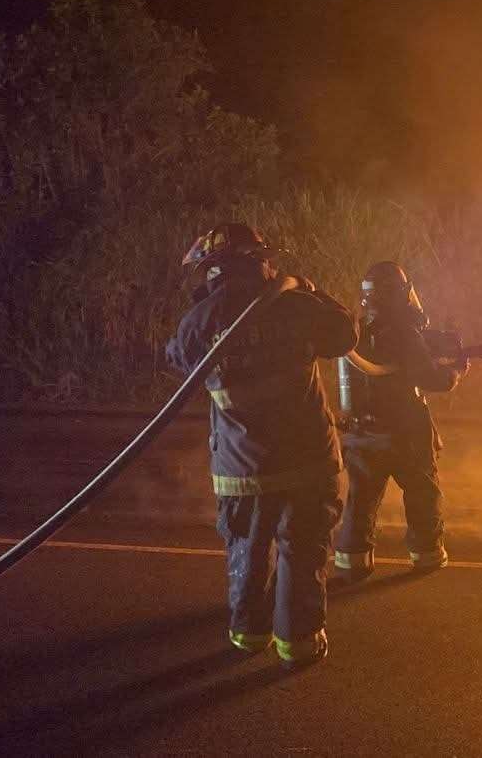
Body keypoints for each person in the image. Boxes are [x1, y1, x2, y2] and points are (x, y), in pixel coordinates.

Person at [165, 223, 357, 670]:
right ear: (258, 261)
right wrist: (313, 290)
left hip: (242, 468)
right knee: (304, 548)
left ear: (211, 270)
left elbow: (176, 359)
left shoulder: (200, 322)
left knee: (248, 551)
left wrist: (205, 314)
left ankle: (249, 636)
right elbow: (346, 334)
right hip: (308, 462)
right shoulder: (295, 304)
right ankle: (301, 643)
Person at [333, 261, 467, 581]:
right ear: (399, 293)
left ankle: (353, 562)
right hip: (404, 432)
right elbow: (431, 378)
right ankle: (427, 555)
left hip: (364, 433)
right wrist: (456, 371)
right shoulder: (404, 333)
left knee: (361, 498)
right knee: (422, 492)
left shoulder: (356, 333)